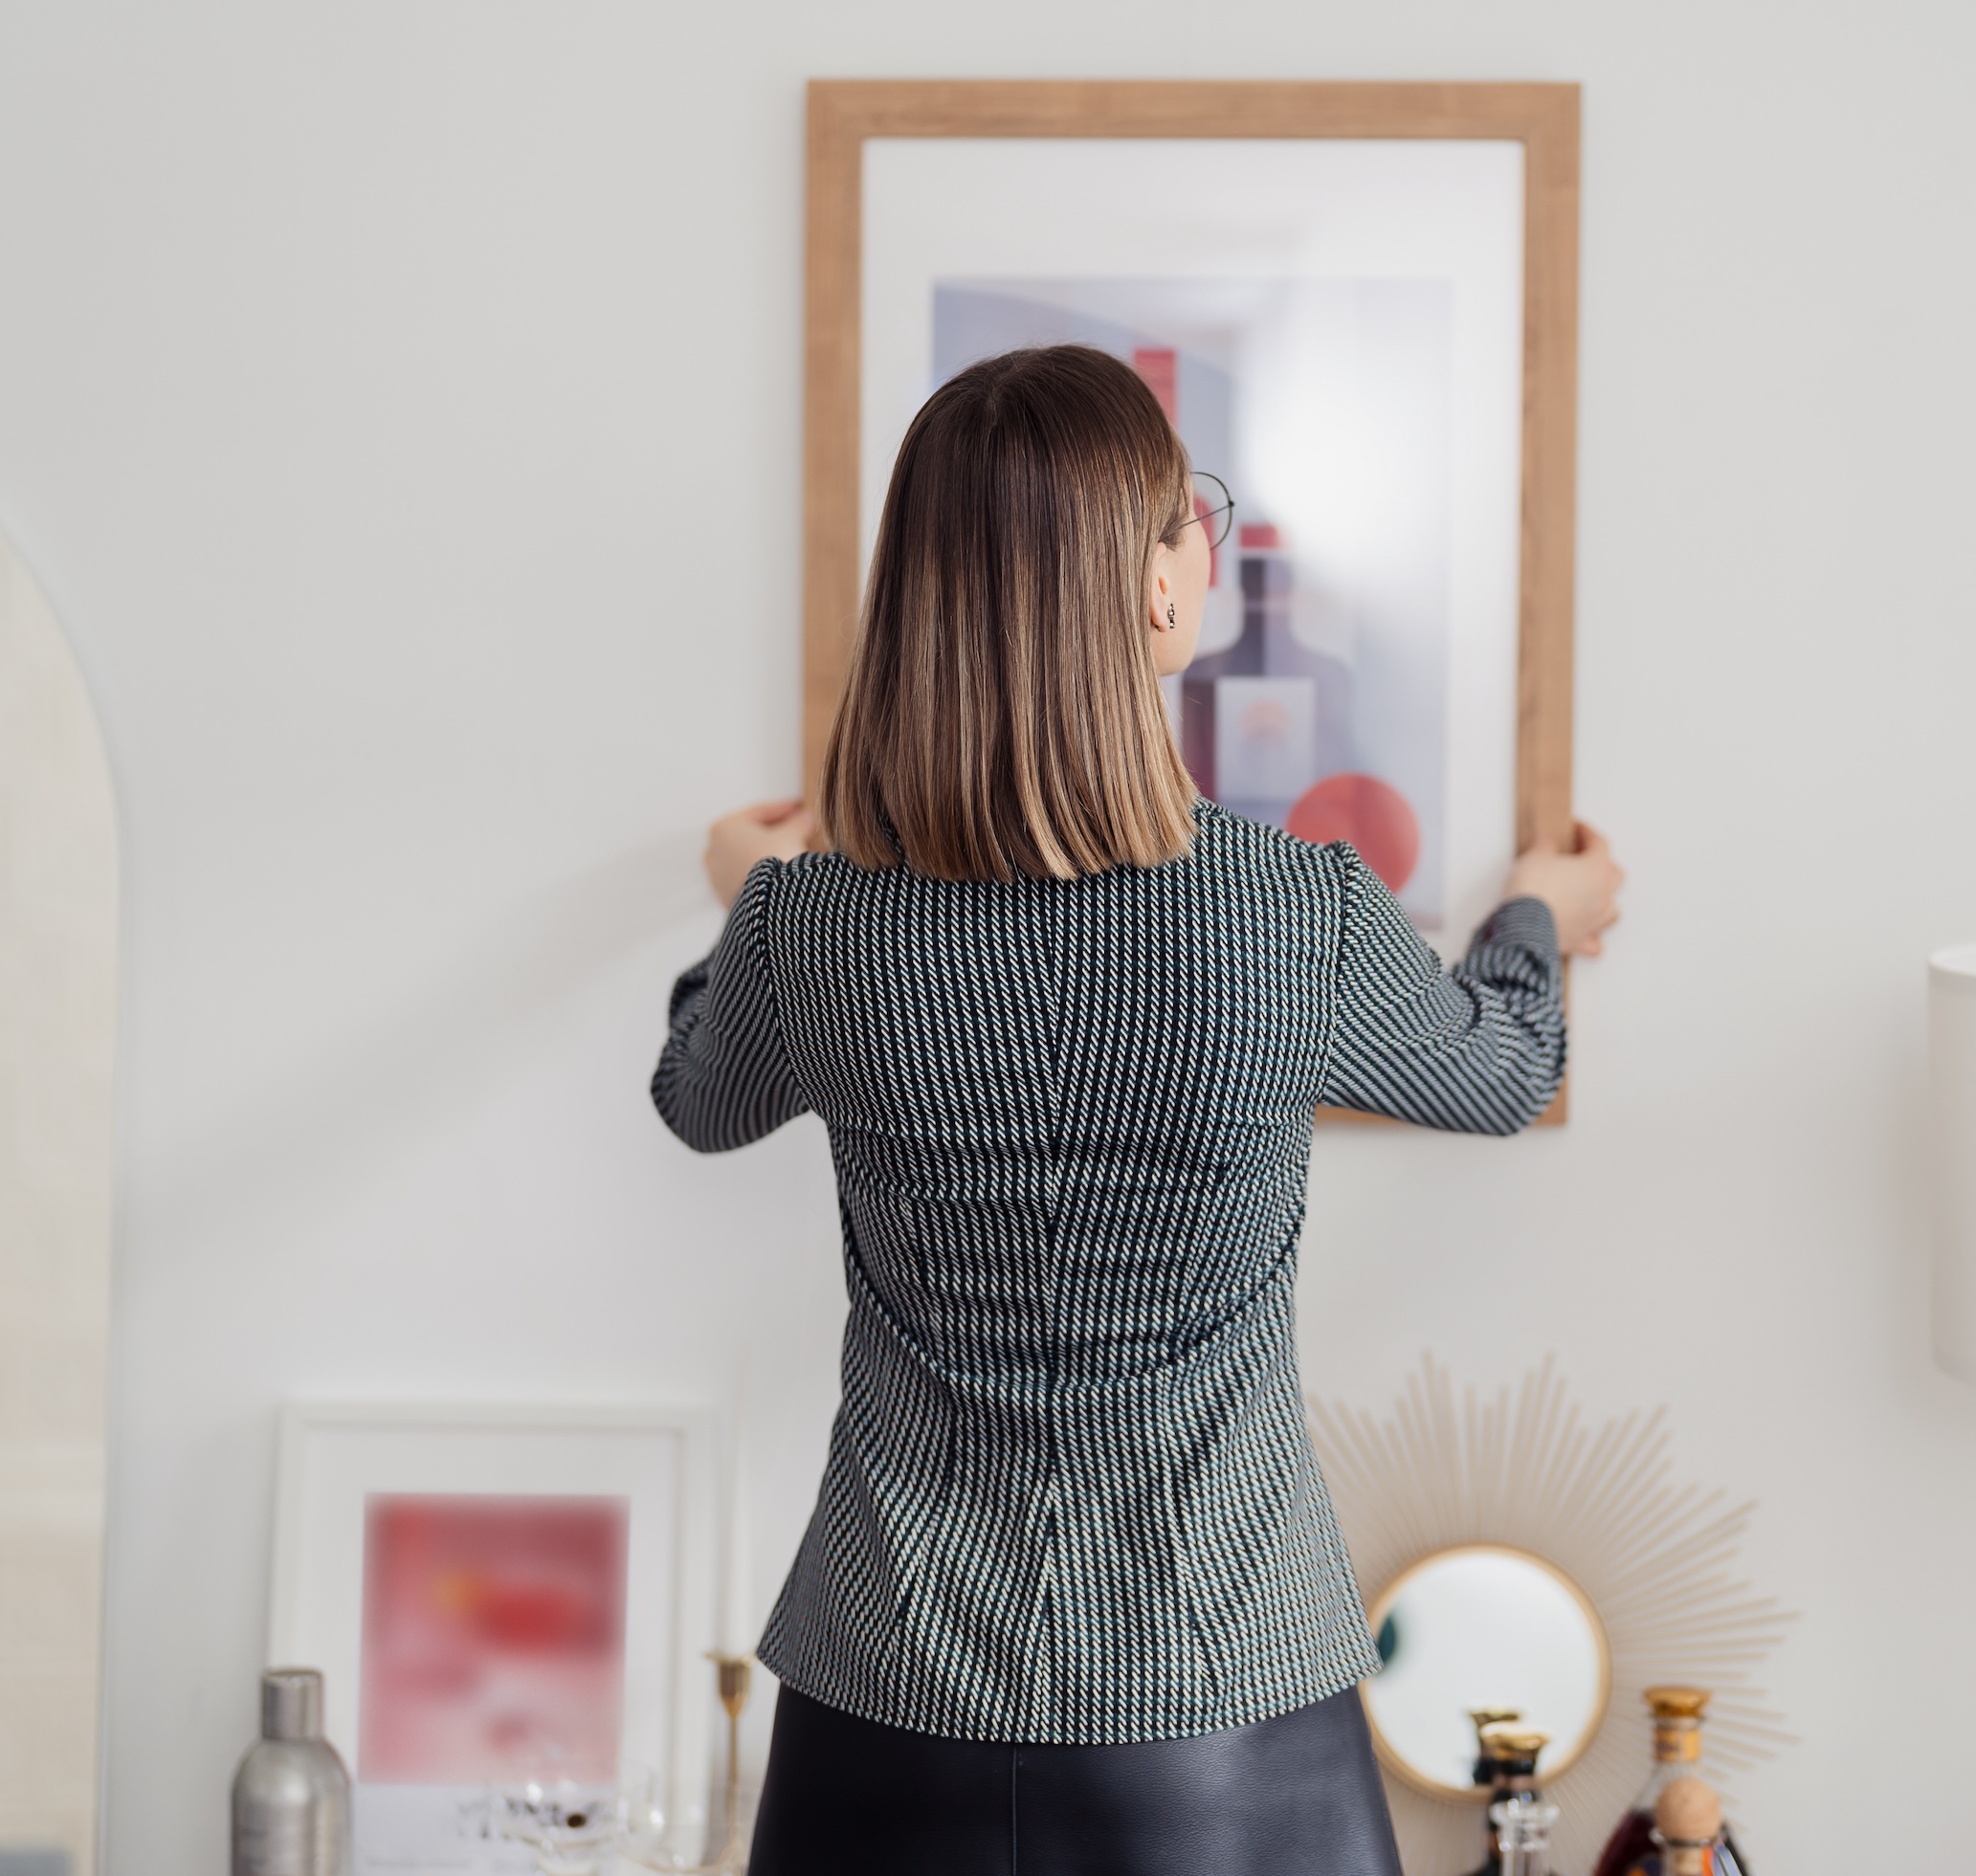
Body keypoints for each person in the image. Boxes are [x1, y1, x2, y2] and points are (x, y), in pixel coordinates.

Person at [653, 344, 1621, 1875]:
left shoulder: (810, 925)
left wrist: (742, 901)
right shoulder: (1292, 909)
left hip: (888, 1689)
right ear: (1158, 594)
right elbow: (1503, 1073)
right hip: (1223, 1706)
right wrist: (1533, 918)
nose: (1206, 544)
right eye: (1193, 518)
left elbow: (698, 1099)